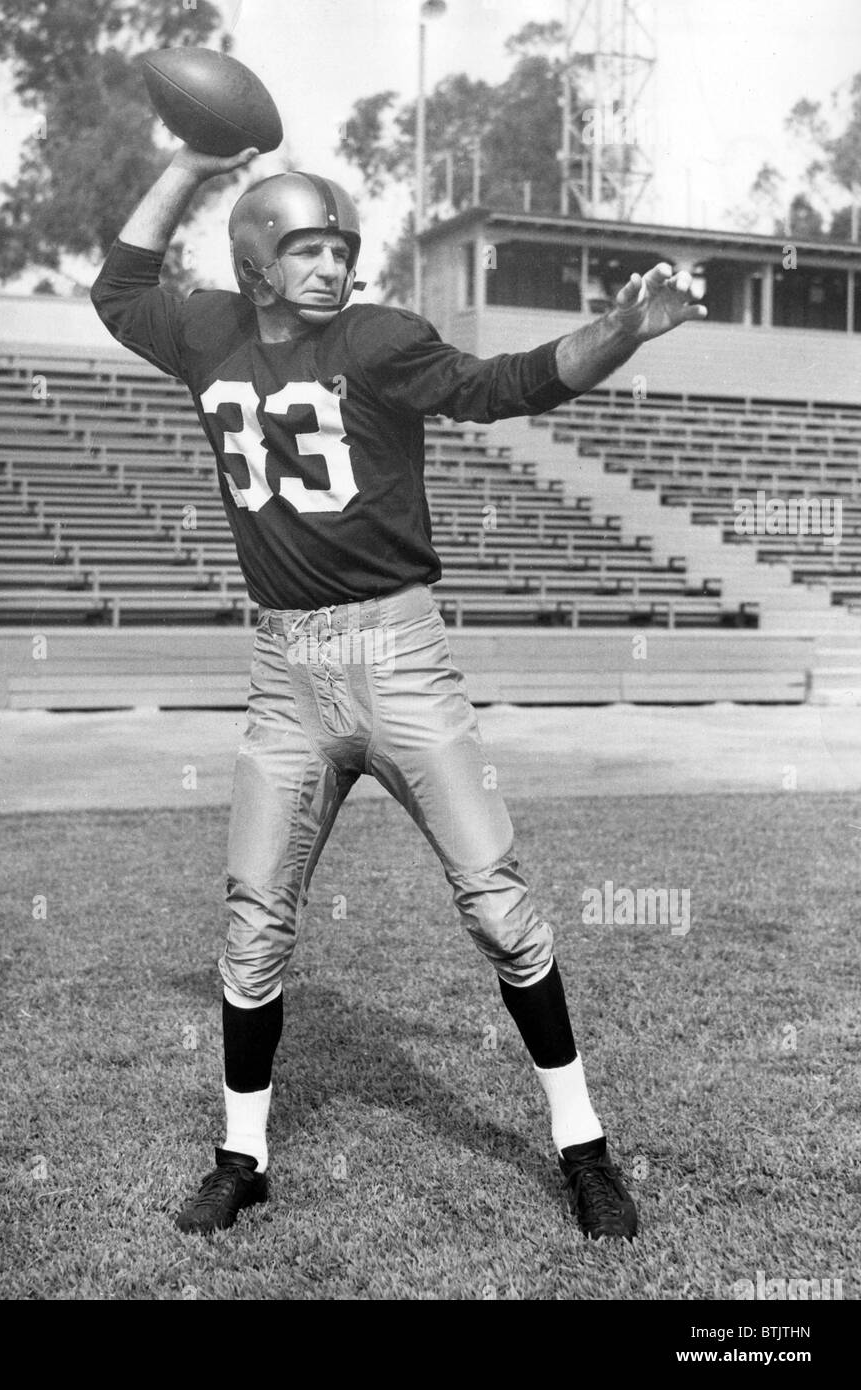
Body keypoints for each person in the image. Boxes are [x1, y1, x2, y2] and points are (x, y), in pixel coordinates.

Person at [91, 143, 705, 1242]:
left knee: (496, 902)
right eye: (305, 250)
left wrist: (619, 331)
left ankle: (583, 1148)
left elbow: (500, 385)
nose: (330, 268)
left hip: (399, 655)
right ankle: (242, 1157)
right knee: (251, 920)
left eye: (340, 249)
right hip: (284, 670)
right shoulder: (204, 331)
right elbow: (119, 285)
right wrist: (185, 161)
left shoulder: (375, 341)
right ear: (253, 263)